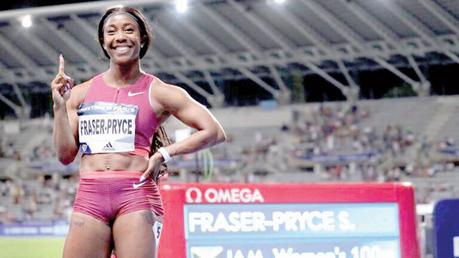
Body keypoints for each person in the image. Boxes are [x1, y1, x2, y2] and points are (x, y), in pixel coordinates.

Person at [51, 6, 226, 258]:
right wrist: (59, 106)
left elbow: (214, 131)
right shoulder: (80, 94)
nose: (120, 36)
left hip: (136, 195)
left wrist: (163, 154)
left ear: (142, 38)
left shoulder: (160, 91)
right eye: (111, 32)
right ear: (104, 42)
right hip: (90, 196)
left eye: (128, 30)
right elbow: (65, 155)